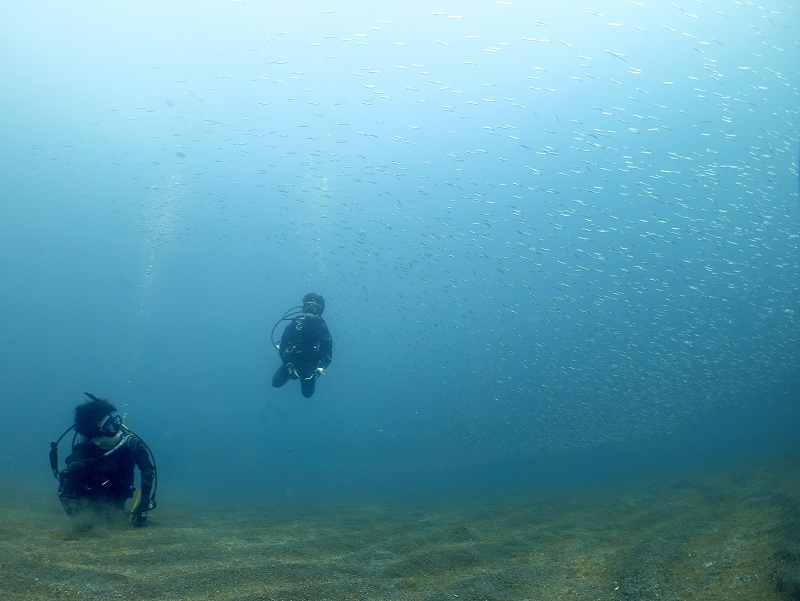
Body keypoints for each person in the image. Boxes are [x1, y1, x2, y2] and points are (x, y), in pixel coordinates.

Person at [55, 394, 155, 528]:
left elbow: (147, 470)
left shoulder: (130, 445)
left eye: (115, 422)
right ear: (96, 439)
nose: (118, 430)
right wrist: (78, 518)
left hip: (118, 496)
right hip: (89, 498)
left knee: (113, 516)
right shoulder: (82, 458)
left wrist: (143, 505)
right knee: (92, 510)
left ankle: (113, 508)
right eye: (111, 428)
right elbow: (65, 493)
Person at [272, 292, 333, 398]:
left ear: (319, 311)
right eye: (308, 306)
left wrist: (317, 372)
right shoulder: (294, 325)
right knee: (275, 384)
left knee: (307, 394)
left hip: (310, 366)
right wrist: (289, 365)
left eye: (314, 308)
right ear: (303, 308)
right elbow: (283, 346)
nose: (310, 310)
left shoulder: (322, 329)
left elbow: (328, 354)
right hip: (292, 361)